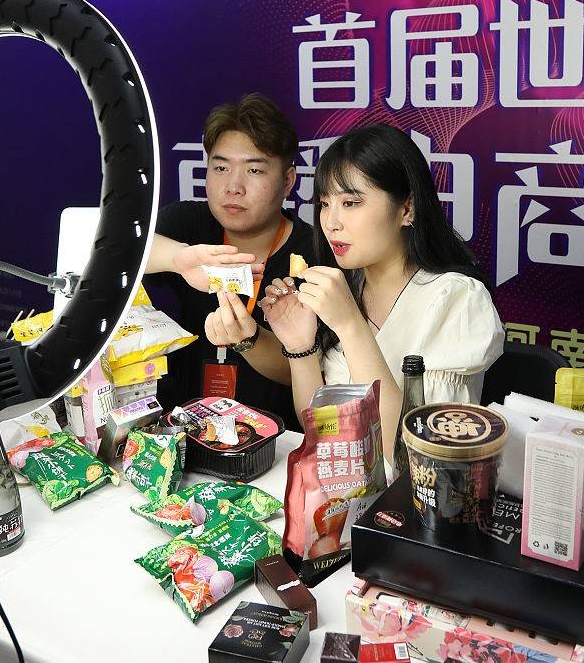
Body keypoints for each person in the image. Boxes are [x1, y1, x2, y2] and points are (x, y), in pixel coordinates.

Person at [205, 124, 504, 465]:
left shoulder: (457, 298)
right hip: (341, 486)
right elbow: (322, 432)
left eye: (351, 202)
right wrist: (300, 347)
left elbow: (413, 453)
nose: (331, 222)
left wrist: (350, 325)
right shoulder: (350, 287)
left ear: (407, 209)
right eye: (325, 203)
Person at [144, 93, 315, 428]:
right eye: (221, 168)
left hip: (276, 436)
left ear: (288, 181)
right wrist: (179, 259)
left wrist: (248, 340)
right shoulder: (188, 223)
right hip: (184, 428)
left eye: (254, 170)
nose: (233, 186)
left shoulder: (313, 254)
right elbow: (122, 253)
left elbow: (309, 370)